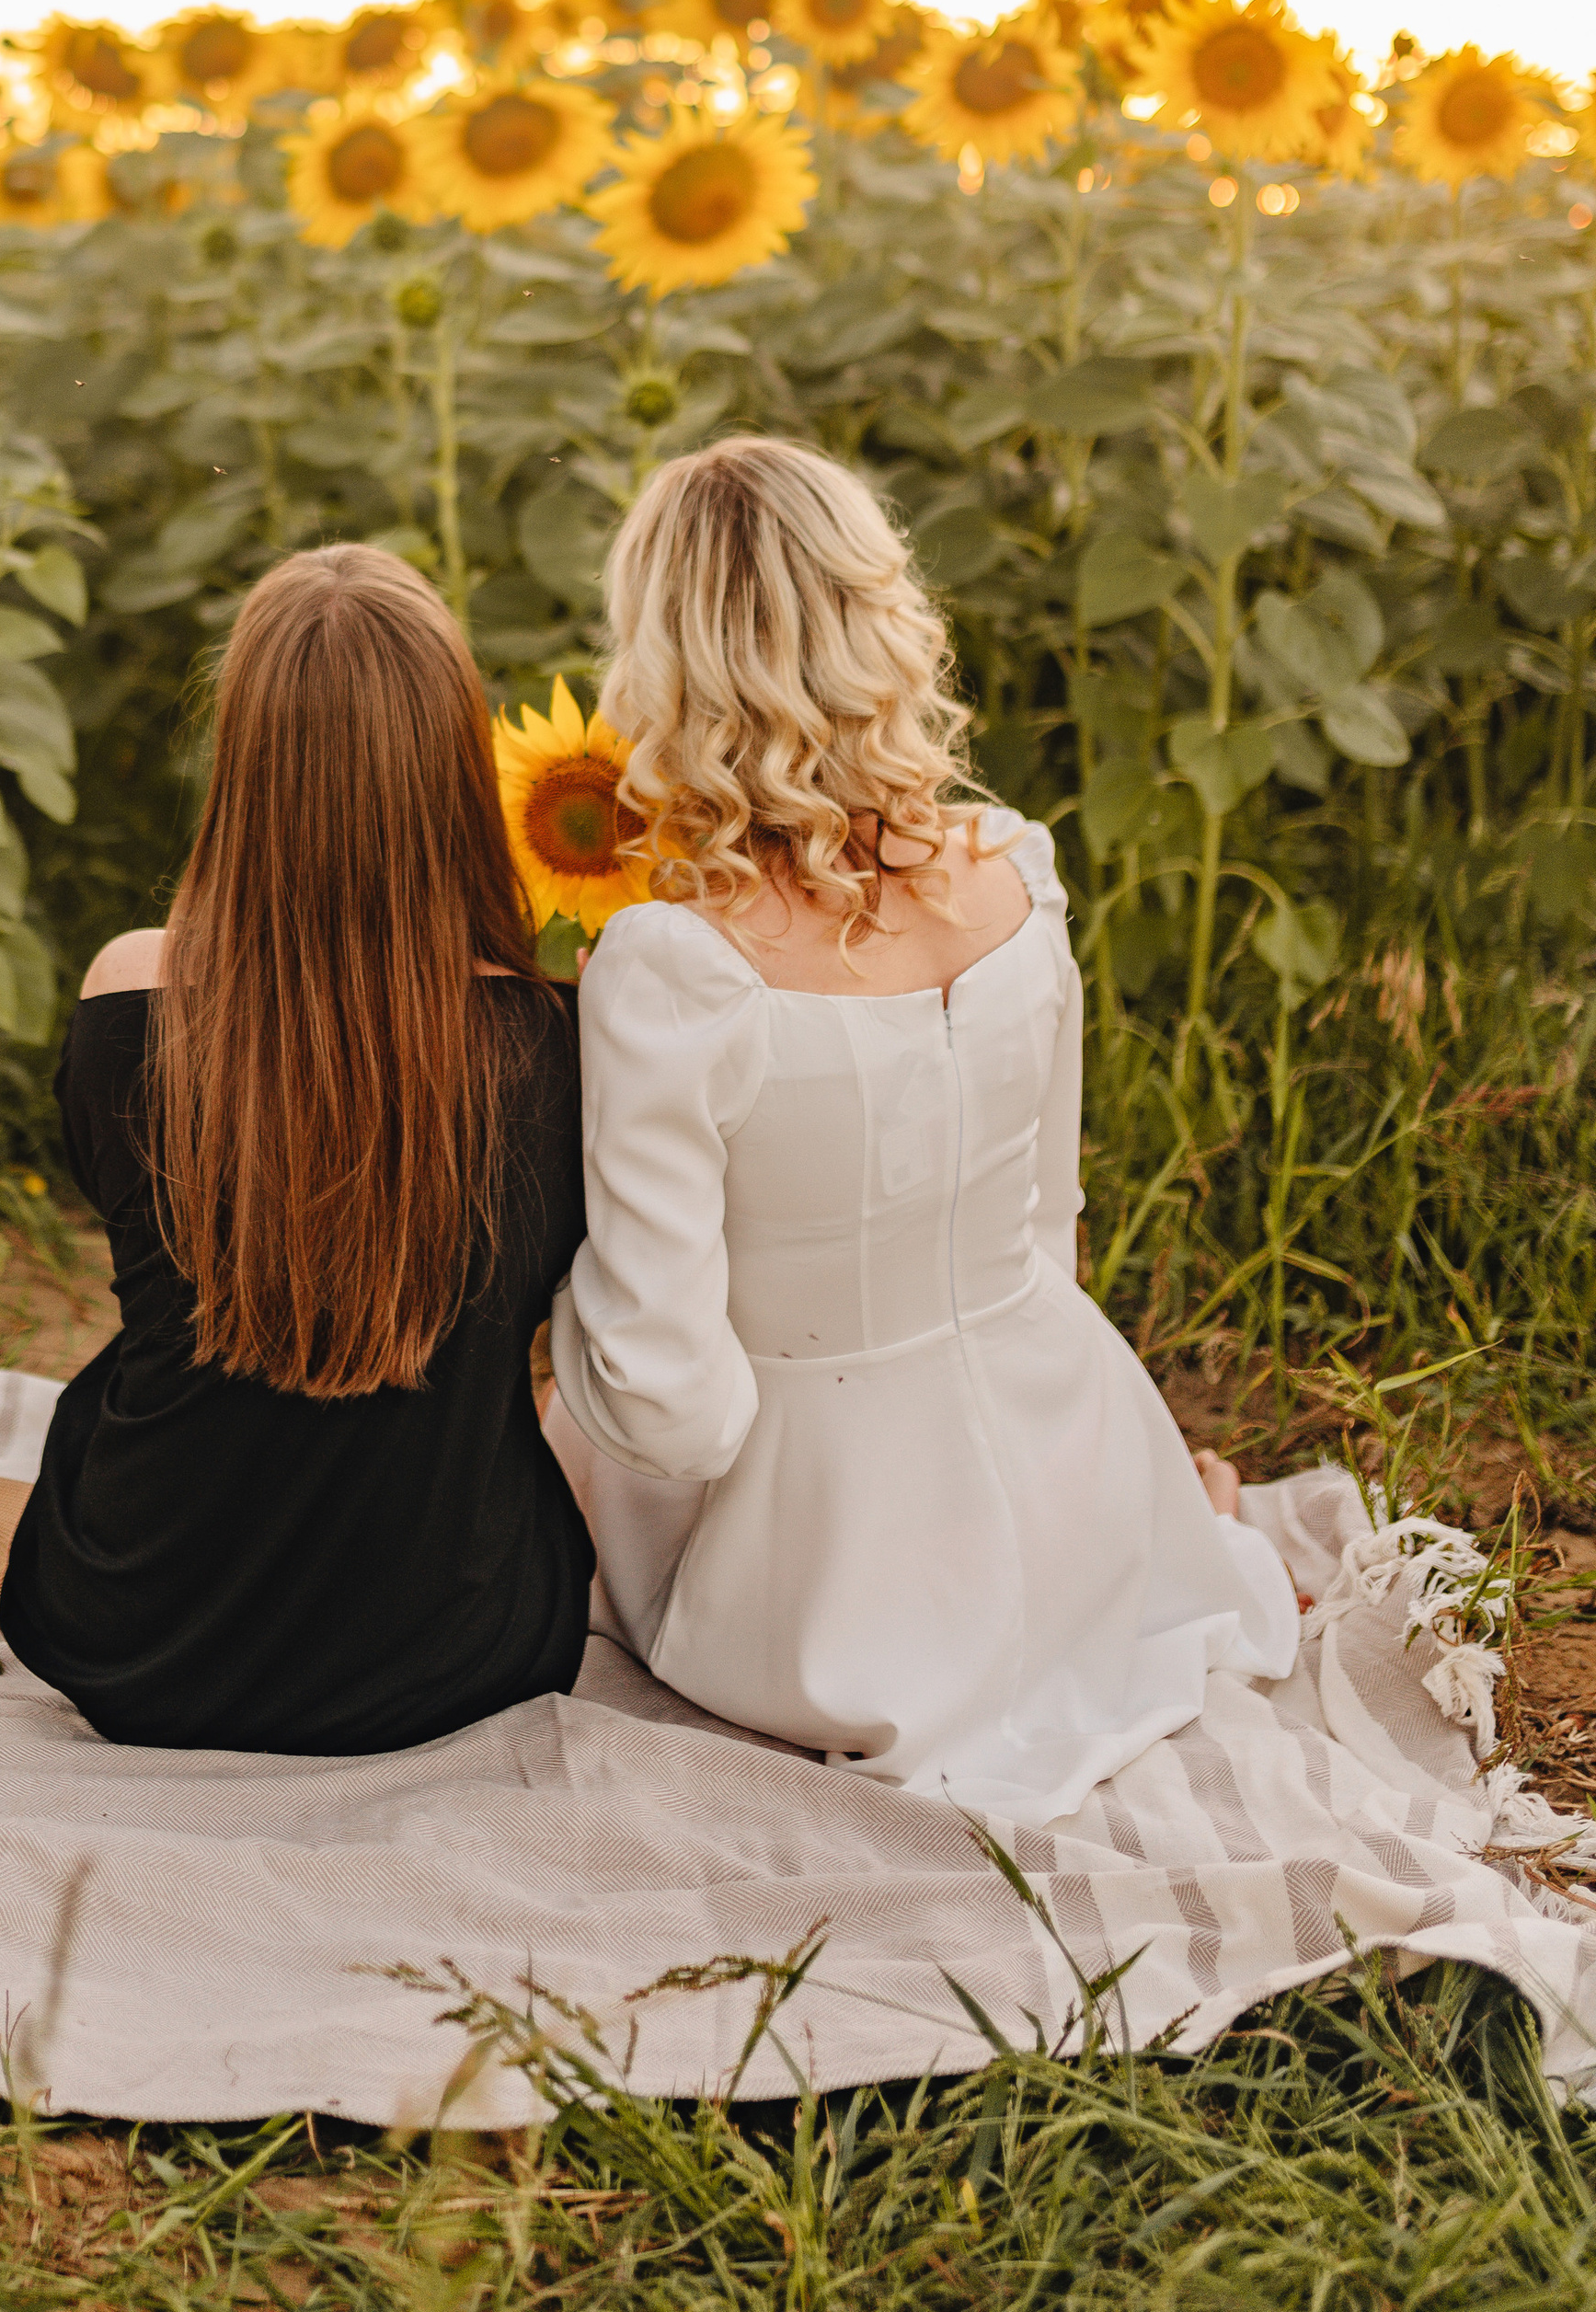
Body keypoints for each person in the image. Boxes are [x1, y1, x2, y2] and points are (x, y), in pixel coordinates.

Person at [546, 437, 1298, 1823]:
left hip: (826, 1595)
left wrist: (557, 1372)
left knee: (576, 1413)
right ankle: (1166, 1532)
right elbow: (1050, 1228)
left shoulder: (671, 962)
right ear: (882, 619)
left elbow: (676, 1409)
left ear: (662, 664)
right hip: (1076, 1466)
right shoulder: (1018, 869)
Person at [2, 543, 591, 1753]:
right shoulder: (557, 1039)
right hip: (454, 1655)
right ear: (453, 763)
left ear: (243, 759)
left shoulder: (126, 996)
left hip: (137, 1641)